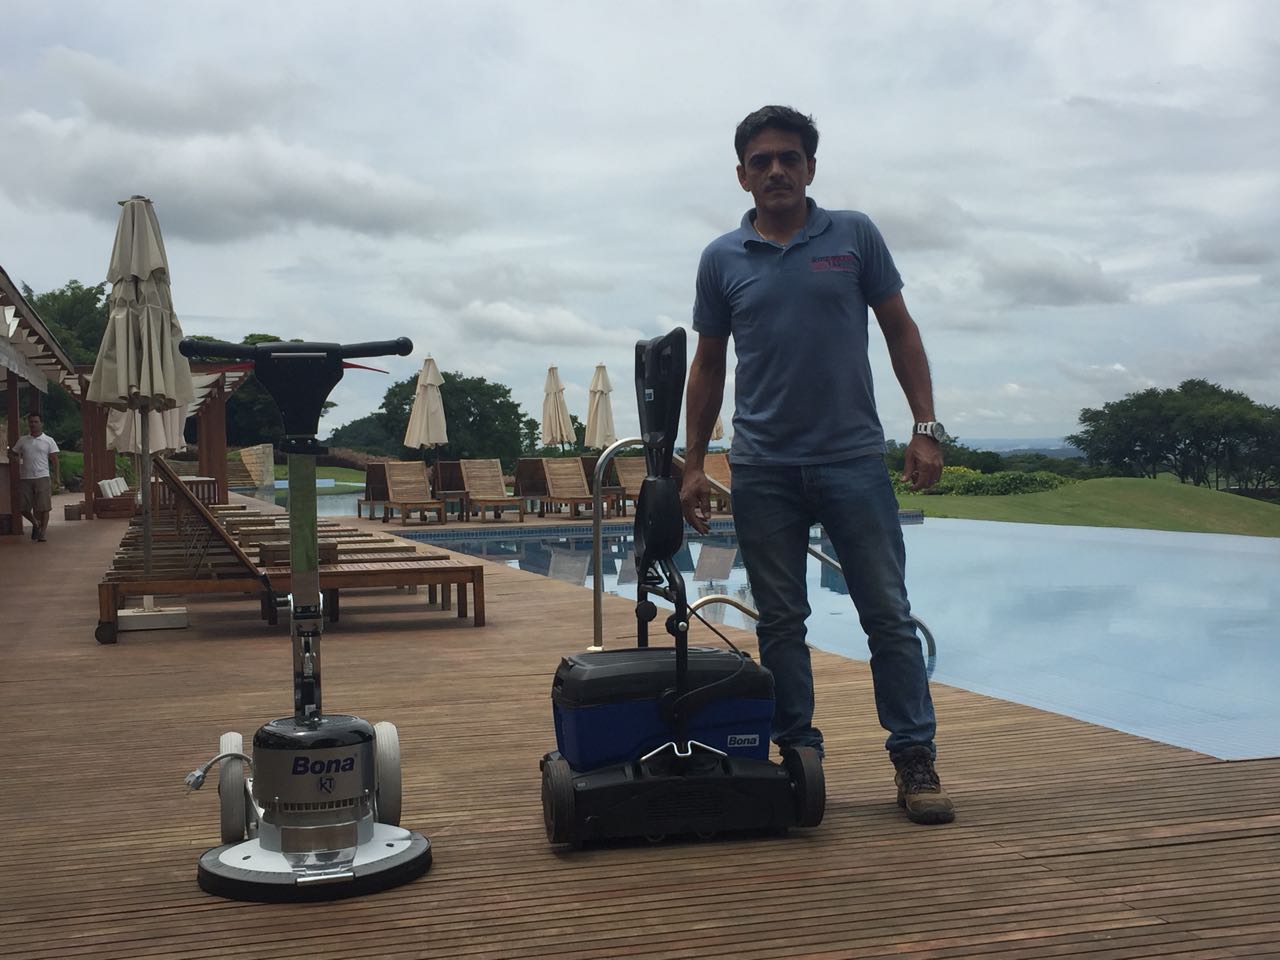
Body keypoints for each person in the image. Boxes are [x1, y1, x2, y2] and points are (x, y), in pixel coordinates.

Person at [679, 105, 954, 825]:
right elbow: (707, 365)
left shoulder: (854, 235)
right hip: (762, 468)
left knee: (887, 616)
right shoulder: (721, 258)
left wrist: (925, 427)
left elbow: (900, 331)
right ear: (742, 175)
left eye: (789, 158)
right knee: (781, 623)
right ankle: (798, 759)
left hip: (852, 460)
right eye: (761, 161)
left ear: (809, 167)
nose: (776, 170)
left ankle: (914, 757)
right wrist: (691, 463)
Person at [9, 412, 60, 542]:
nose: (33, 424)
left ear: (41, 424)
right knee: (22, 507)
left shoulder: (48, 440)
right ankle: (35, 523)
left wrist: (56, 477)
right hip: (26, 478)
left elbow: (54, 460)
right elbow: (12, 453)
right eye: (31, 422)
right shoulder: (23, 440)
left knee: (44, 507)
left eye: (36, 422)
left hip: (42, 476)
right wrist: (17, 461)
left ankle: (42, 533)